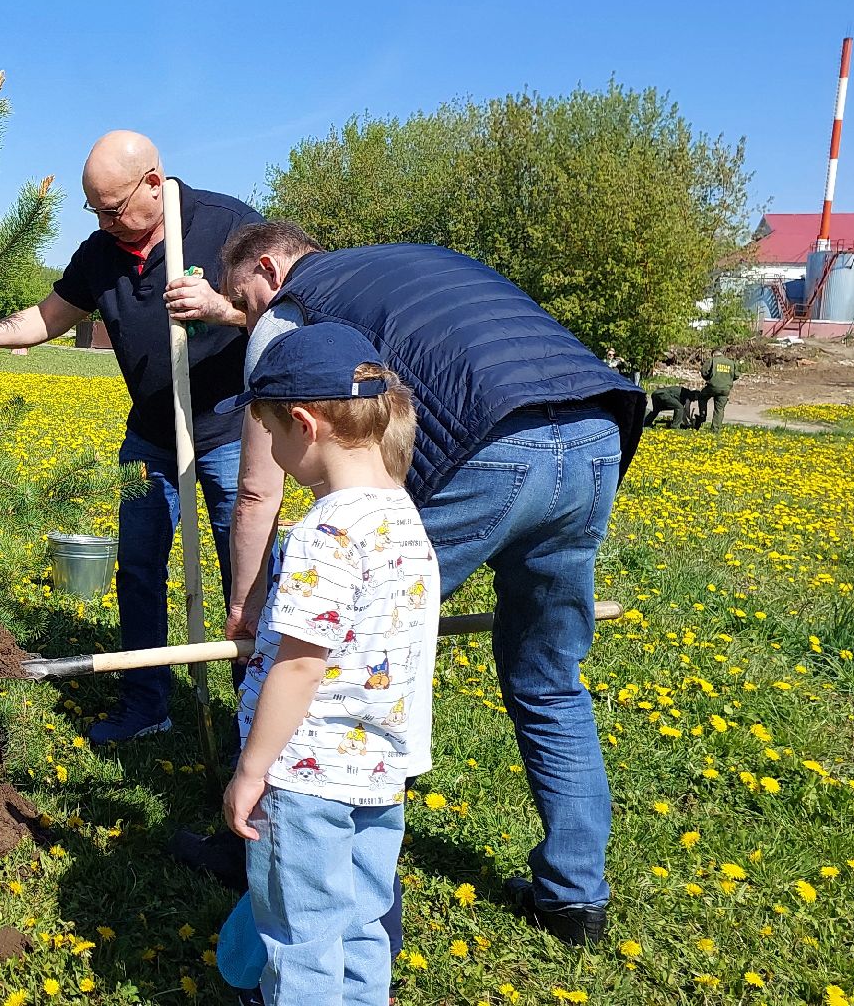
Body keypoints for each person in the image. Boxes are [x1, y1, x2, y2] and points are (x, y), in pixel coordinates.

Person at [170, 220, 644, 945]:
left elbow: (259, 490)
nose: (251, 319)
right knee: (549, 679)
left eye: (245, 301)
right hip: (593, 430)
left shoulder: (288, 317)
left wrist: (249, 605)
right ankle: (575, 897)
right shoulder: (409, 264)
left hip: (492, 446)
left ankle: (269, 846)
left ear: (267, 270)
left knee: (330, 653)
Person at [0, 130, 262, 744]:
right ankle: (146, 702)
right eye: (96, 211)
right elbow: (47, 318)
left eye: (113, 209)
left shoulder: (229, 227)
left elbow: (290, 307)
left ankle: (257, 712)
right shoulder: (101, 252)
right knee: (138, 568)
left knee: (245, 573)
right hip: (151, 435)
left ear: (154, 184)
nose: (105, 223)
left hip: (230, 432)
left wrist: (221, 308)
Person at [219, 323, 437, 1006]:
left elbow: (300, 667)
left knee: (300, 937)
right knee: (363, 922)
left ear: (305, 425)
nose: (272, 451)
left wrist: (252, 770)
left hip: (304, 776)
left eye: (270, 433)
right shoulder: (403, 518)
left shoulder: (326, 529)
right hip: (379, 769)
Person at [698, 350, 740, 432]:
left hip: (712, 387)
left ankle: (702, 416)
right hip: (725, 388)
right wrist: (727, 381)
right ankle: (715, 429)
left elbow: (704, 372)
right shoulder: (731, 362)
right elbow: (736, 375)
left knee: (702, 397)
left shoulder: (712, 360)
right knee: (719, 409)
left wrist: (708, 378)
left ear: (713, 355)